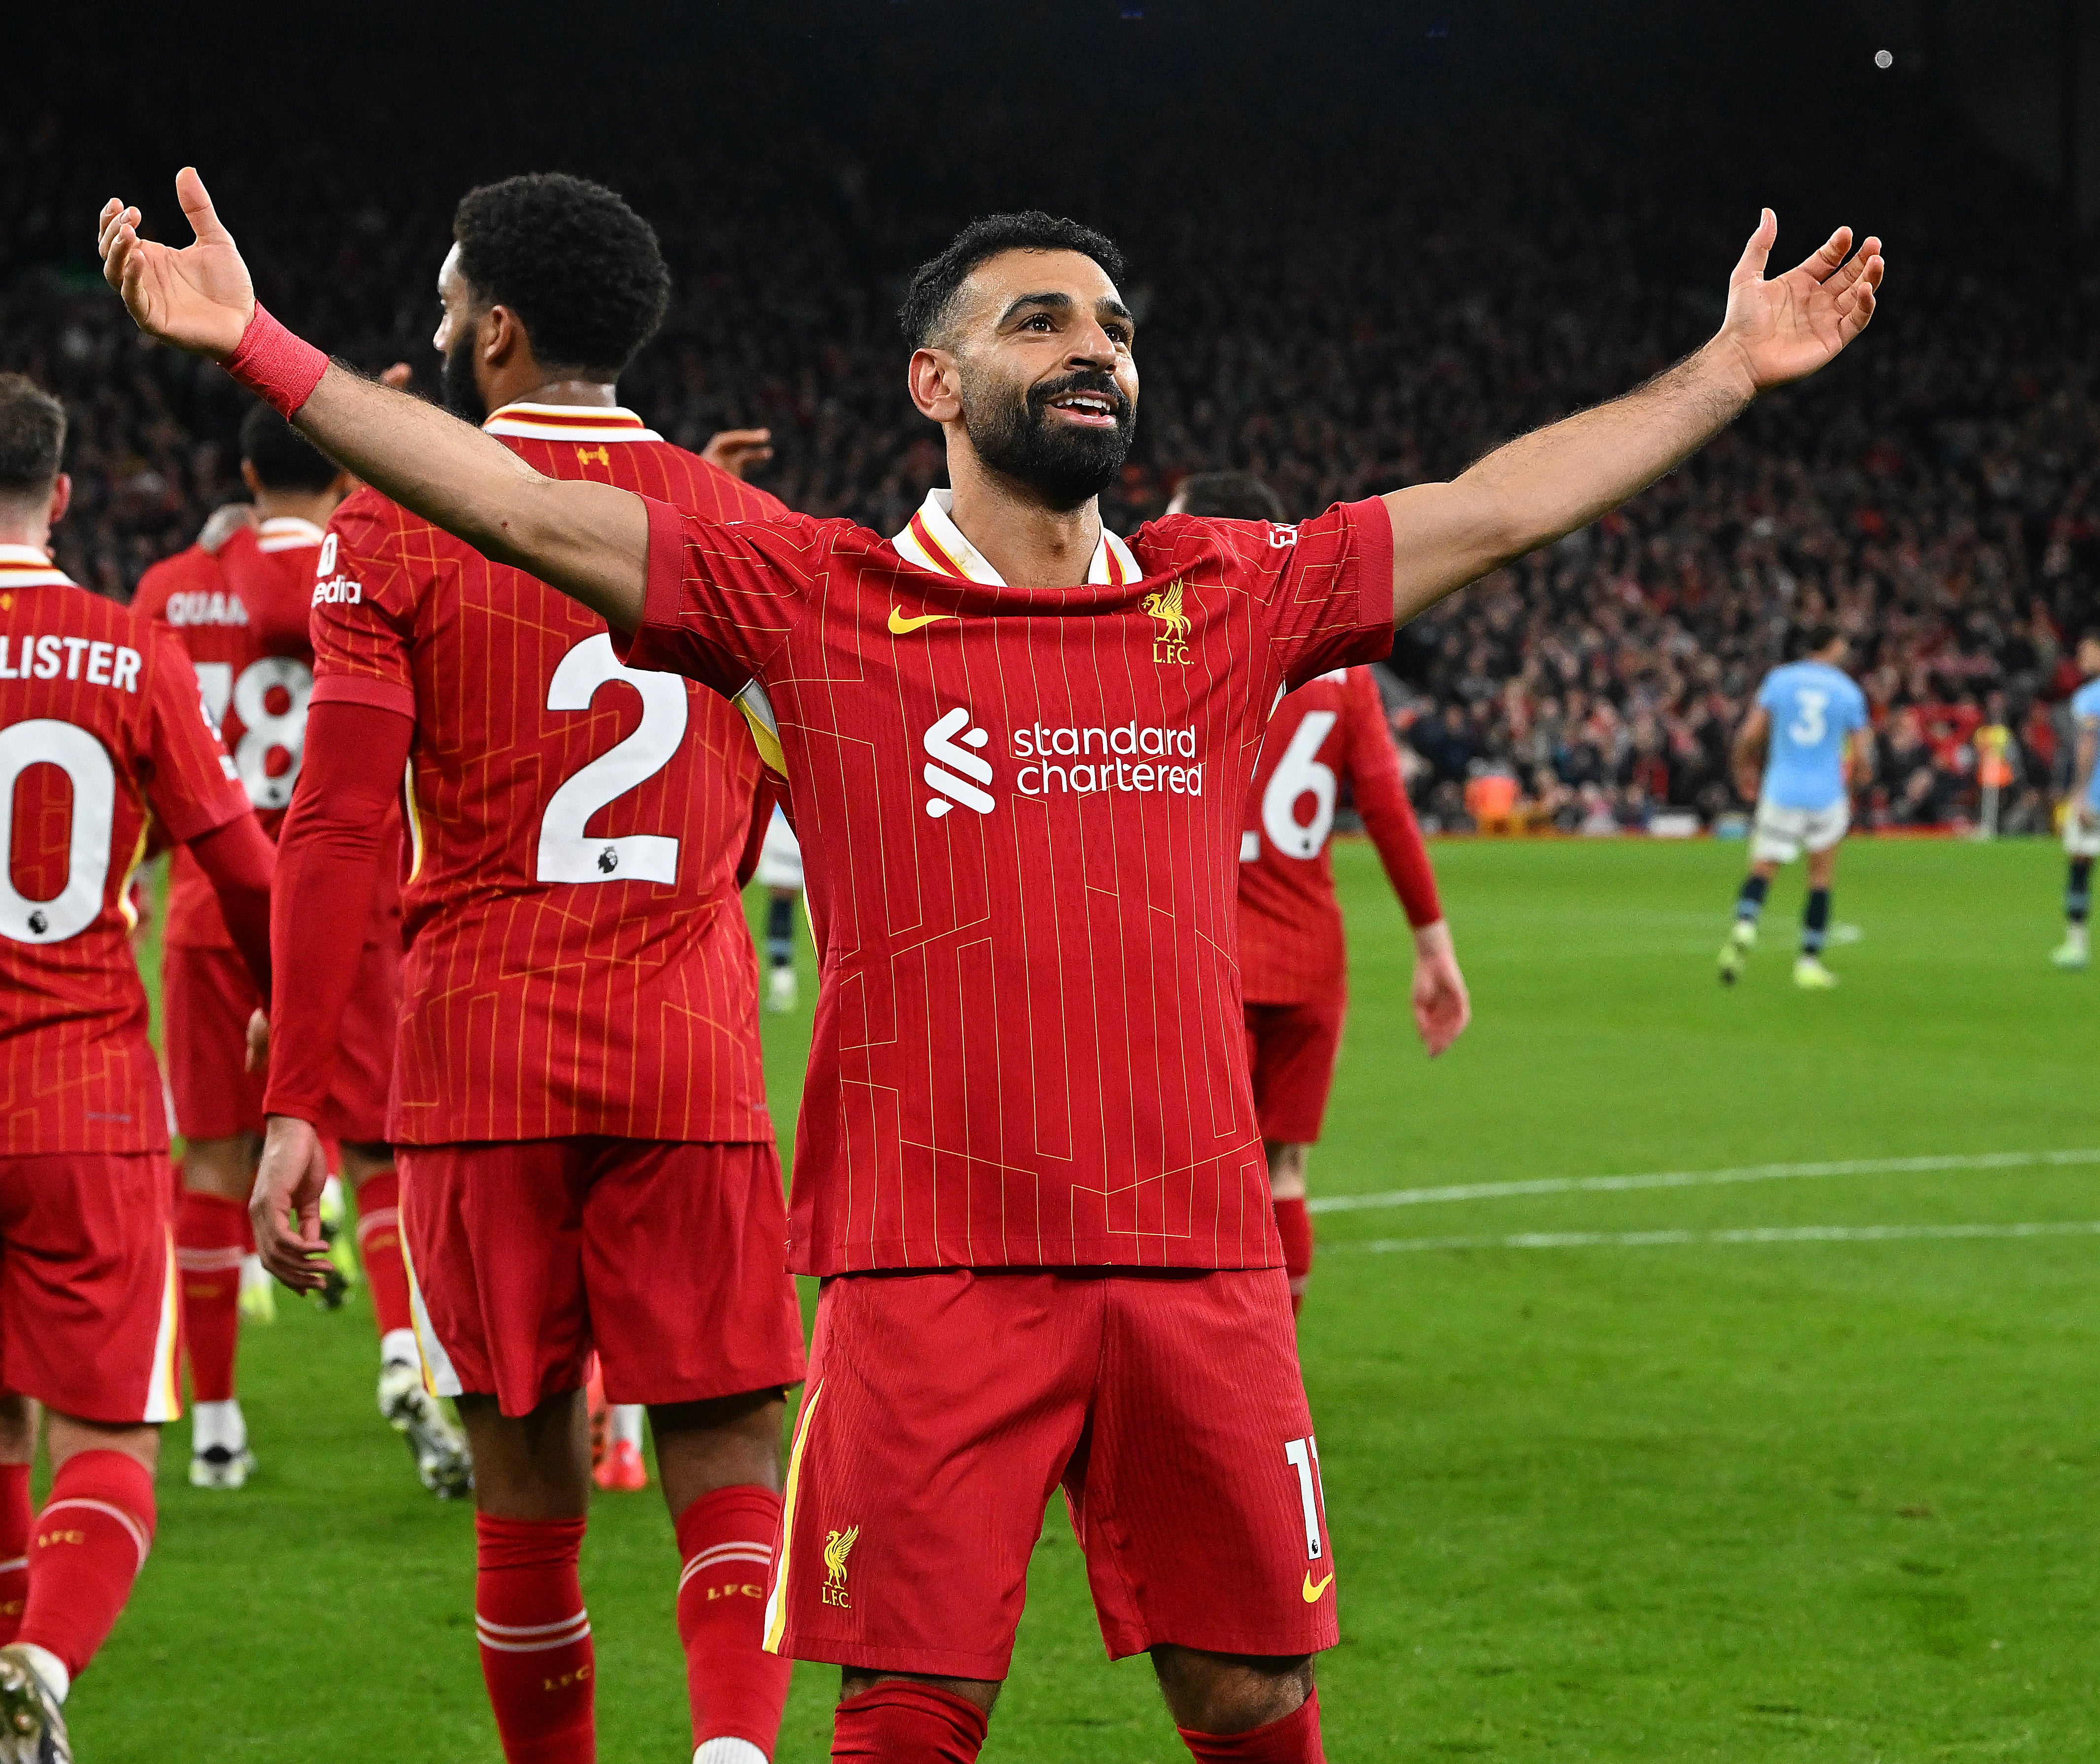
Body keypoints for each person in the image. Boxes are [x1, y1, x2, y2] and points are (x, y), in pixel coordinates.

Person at [102, 171, 1881, 1764]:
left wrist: (1724, 370)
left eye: (1111, 323)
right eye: (1038, 320)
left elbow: (1492, 506)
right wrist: (255, 344)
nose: (1090, 346)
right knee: (901, 1714)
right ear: (934, 386)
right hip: (928, 1265)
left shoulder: (1224, 588)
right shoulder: (818, 596)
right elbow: (517, 503)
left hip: (1194, 1261)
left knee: (1252, 1696)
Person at [238, 175, 806, 1764]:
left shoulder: (392, 516)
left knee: (525, 1489)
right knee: (726, 1441)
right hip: (688, 1045)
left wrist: (299, 1103)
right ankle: (736, 1749)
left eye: (442, 305)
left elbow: (340, 822)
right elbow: (783, 782)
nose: (431, 331)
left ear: (496, 330)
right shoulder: (744, 524)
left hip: (479, 1057)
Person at [0, 373, 278, 1753]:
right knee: (105, 1439)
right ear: (59, 495)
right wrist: (295, 1003)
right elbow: (242, 871)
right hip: (81, 1092)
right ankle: (39, 1671)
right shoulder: (129, 648)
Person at [134, 403, 465, 1495]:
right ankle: (399, 1358)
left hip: (207, 905)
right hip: (350, 898)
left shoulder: (169, 589)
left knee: (216, 1155)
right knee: (375, 1148)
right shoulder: (365, 563)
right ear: (337, 479)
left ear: (237, 471)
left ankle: (218, 1423)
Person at [1169, 472, 1471, 1319]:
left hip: (1205, 960)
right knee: (1284, 1169)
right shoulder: (1342, 671)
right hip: (1310, 962)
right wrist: (1433, 945)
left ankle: (1208, 1365)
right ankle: (1278, 1379)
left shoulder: (1177, 653)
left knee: (1190, 1180)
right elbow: (1386, 808)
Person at [1718, 625, 1872, 989]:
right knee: (1820, 879)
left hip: (1781, 790)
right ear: (1832, 647)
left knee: (1762, 868)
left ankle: (1744, 926)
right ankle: (1808, 963)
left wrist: (1743, 771)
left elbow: (1749, 735)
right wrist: (1854, 785)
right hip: (1825, 795)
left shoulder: (1779, 681)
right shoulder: (1847, 691)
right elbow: (1863, 757)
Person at [2053, 631, 2100, 970]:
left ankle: (2076, 946)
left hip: (2095, 798)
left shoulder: (2089, 697)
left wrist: (2080, 793)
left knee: (2079, 865)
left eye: (2087, 652)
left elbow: (2086, 747)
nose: (2081, 659)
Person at [753, 804, 805, 1012]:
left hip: (782, 825)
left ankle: (781, 977)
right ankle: (782, 979)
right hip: (809, 821)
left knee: (781, 902)